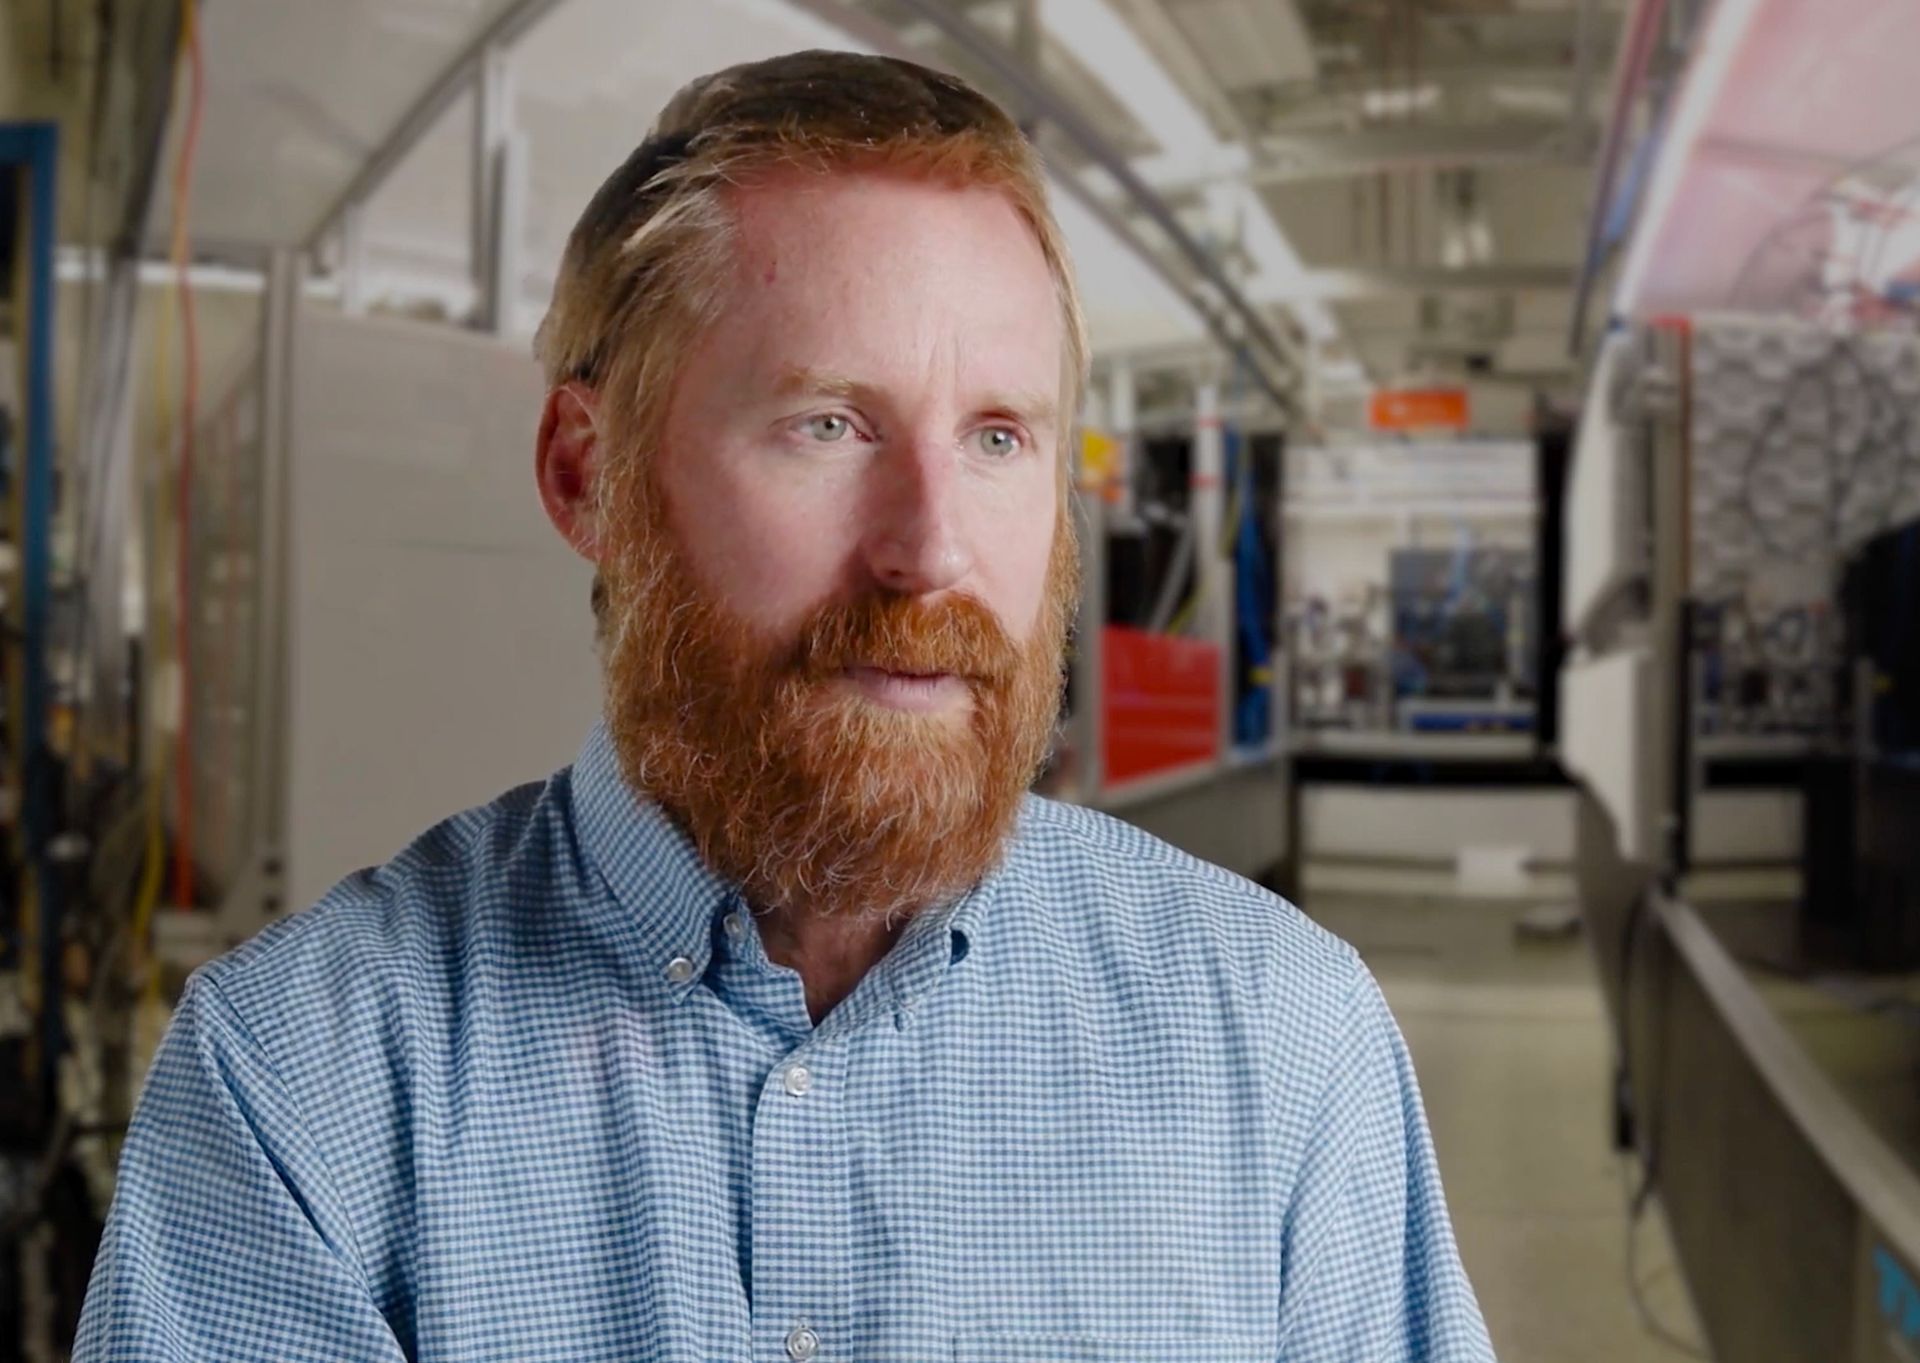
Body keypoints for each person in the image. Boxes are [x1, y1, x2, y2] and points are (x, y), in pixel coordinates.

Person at [75, 50, 1494, 1362]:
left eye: (999, 437)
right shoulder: (304, 1093)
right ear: (587, 474)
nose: (929, 550)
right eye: (828, 425)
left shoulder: (1285, 1041)